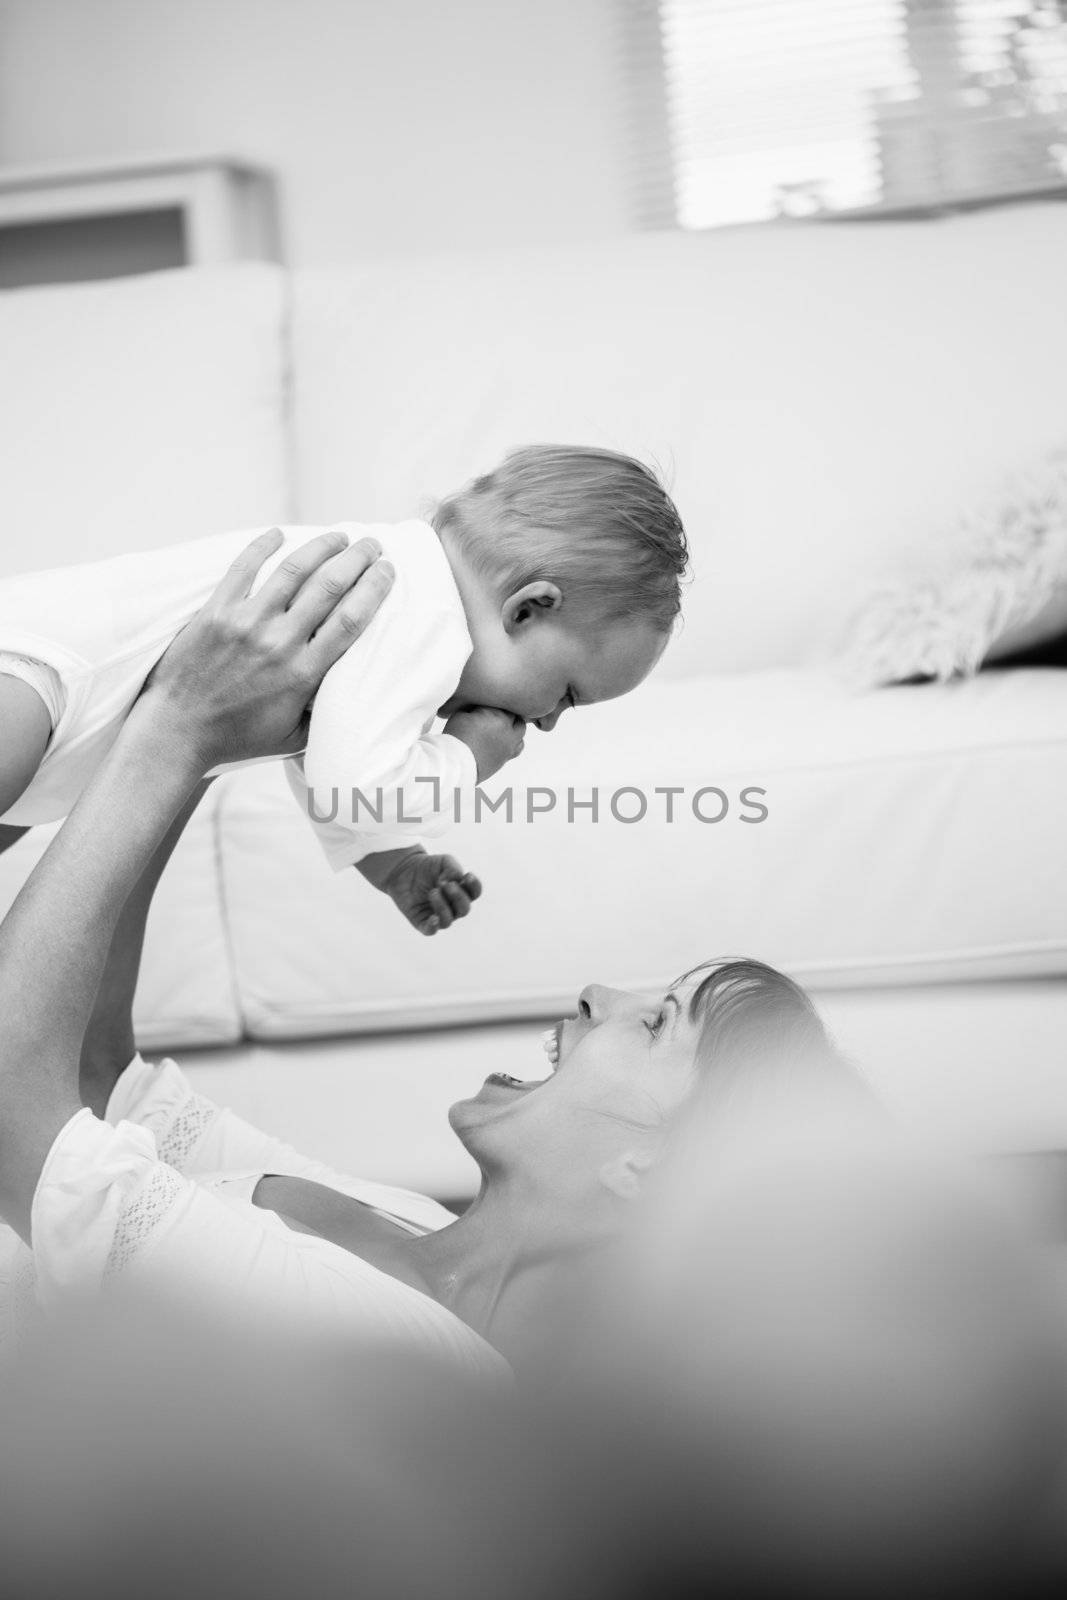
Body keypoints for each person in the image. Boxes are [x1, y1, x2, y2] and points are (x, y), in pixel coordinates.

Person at [0, 526, 828, 1377]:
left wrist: (178, 727)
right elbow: (102, 1086)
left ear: (653, 1170)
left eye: (656, 1025)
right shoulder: (414, 1227)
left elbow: (13, 1104)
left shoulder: (401, 1358)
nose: (596, 994)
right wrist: (192, 729)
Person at [0, 444, 687, 935]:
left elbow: (322, 747)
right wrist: (466, 759)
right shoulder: (421, 609)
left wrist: (388, 863)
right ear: (528, 608)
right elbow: (352, 784)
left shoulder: (405, 598)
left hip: (50, 708)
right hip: (30, 685)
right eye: (567, 693)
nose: (547, 724)